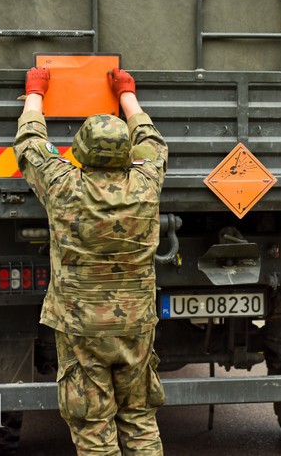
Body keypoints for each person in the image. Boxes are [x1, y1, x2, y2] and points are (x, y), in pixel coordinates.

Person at [14, 66, 167, 455]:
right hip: (136, 323)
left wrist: (36, 92)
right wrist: (127, 94)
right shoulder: (147, 184)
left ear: (80, 151)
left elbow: (30, 143)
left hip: (81, 326)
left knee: (92, 422)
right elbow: (153, 142)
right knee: (140, 419)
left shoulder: (63, 185)